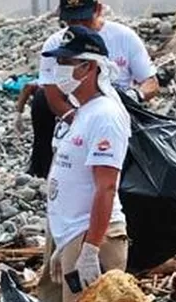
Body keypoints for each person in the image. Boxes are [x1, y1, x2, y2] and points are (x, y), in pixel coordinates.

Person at [37, 26, 131, 302]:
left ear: (88, 66)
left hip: (93, 237)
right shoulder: (83, 111)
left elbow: (106, 187)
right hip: (74, 235)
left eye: (66, 62)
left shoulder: (105, 115)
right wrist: (65, 244)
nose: (59, 69)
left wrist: (90, 250)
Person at [23, 0, 159, 179]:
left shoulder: (124, 37)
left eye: (83, 19)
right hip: (75, 108)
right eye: (71, 21)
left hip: (117, 107)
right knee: (41, 100)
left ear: (98, 9)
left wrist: (135, 95)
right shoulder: (56, 44)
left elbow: (151, 82)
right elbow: (53, 95)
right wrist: (80, 124)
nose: (78, 26)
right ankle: (43, 169)